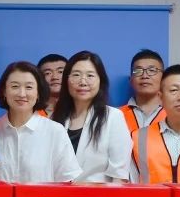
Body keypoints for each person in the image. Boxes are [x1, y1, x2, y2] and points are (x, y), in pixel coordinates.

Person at [50, 51, 132, 183]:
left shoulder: (113, 117)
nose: (83, 82)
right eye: (76, 75)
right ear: (66, 80)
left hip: (99, 195)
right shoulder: (55, 118)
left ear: (100, 81)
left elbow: (119, 176)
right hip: (56, 194)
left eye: (90, 75)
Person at [0, 61, 80, 183]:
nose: (22, 94)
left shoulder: (55, 131)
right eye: (15, 86)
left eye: (29, 87)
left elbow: (67, 181)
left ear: (38, 93)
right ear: (4, 91)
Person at [120, 49, 166, 135]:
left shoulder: (175, 114)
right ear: (131, 80)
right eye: (138, 71)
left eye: (152, 70)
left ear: (164, 78)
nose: (145, 76)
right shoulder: (116, 115)